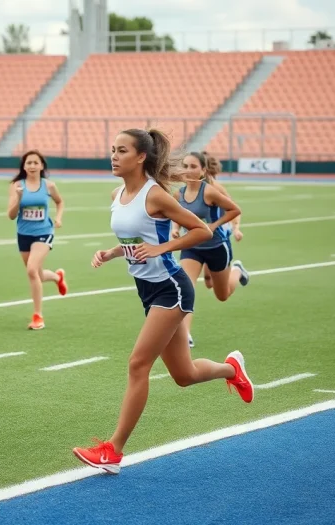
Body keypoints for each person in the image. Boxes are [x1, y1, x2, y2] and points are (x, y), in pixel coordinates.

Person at [72, 129, 254, 474]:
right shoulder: (117, 194)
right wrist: (112, 252)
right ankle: (233, 369)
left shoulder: (155, 195)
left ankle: (113, 450)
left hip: (172, 288)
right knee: (183, 375)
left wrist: (162, 248)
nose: (113, 155)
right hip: (147, 289)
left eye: (121, 150)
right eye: (112, 149)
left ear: (141, 157)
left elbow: (203, 231)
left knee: (138, 364)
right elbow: (135, 238)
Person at [171, 152, 250, 349]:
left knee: (221, 295)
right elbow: (175, 214)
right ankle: (185, 334)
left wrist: (215, 226)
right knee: (186, 288)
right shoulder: (178, 194)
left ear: (203, 170)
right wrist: (175, 229)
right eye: (186, 166)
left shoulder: (210, 192)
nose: (188, 170)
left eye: (193, 166)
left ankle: (238, 271)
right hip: (192, 247)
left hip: (216, 247)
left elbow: (234, 210)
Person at [7, 150, 67, 330]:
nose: (32, 166)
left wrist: (58, 218)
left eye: (35, 162)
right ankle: (57, 277)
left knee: (32, 270)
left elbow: (60, 202)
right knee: (37, 274)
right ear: (23, 166)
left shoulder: (48, 185)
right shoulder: (17, 186)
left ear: (42, 165)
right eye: (28, 163)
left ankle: (37, 316)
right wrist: (18, 198)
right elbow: (10, 215)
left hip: (44, 231)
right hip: (24, 233)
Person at [201, 153, 243, 290]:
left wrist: (236, 228)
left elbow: (234, 208)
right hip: (203, 236)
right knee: (208, 282)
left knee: (220, 288)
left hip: (219, 235)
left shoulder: (216, 188)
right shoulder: (192, 187)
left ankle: (237, 271)